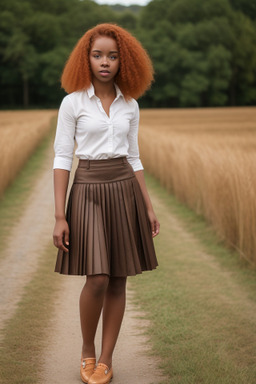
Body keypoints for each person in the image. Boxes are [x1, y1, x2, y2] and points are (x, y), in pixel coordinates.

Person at [52, 23, 160, 384]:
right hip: (87, 190)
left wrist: (147, 206)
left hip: (124, 188)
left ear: (123, 61)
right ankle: (87, 350)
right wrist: (58, 215)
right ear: (87, 58)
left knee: (118, 278)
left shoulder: (131, 104)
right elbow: (63, 157)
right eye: (97, 55)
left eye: (112, 56)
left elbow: (134, 157)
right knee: (96, 277)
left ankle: (107, 359)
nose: (105, 62)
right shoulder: (73, 102)